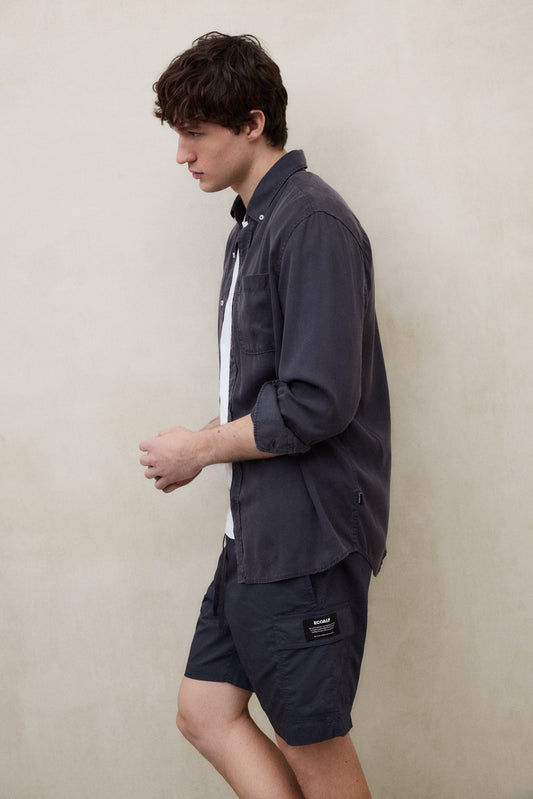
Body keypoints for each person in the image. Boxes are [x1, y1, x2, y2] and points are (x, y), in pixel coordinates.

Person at [140, 32, 391, 799]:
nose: (181, 154)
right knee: (205, 710)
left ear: (252, 123)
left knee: (310, 742)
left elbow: (317, 400)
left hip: (304, 542)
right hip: (255, 531)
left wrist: (199, 449)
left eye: (195, 132)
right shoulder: (254, 225)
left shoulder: (309, 222)